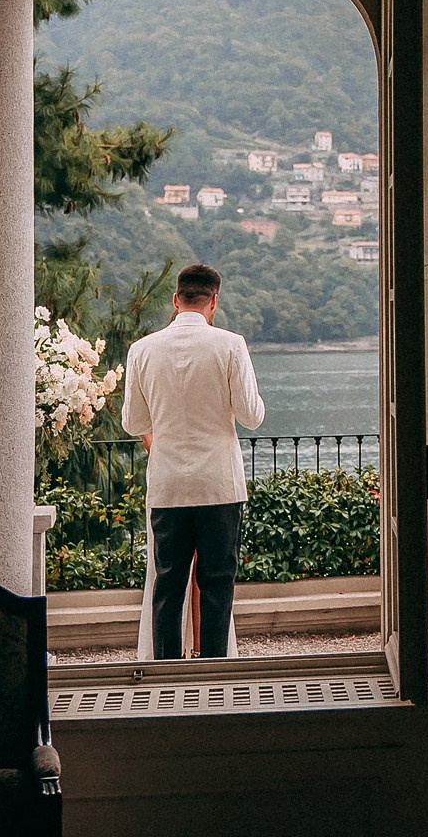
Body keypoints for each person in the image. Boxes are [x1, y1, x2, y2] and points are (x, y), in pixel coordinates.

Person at [121, 263, 265, 660]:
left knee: (168, 584)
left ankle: (167, 679)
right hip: (219, 484)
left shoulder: (142, 350)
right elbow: (252, 416)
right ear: (213, 301)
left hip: (167, 485)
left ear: (175, 299)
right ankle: (215, 672)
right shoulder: (231, 345)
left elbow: (133, 421)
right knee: (217, 584)